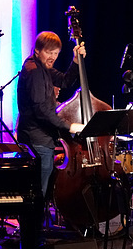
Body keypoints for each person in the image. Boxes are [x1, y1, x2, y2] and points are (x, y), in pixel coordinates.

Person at [16, 31, 86, 200]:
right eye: (49, 52)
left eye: (56, 53)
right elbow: (41, 110)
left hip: (40, 138)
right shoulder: (34, 71)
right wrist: (69, 126)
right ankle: (34, 226)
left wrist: (76, 60)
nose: (52, 57)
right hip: (37, 140)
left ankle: (35, 224)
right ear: (37, 50)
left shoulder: (43, 68)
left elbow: (64, 81)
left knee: (39, 191)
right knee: (38, 194)